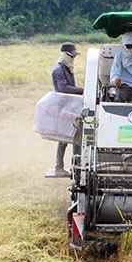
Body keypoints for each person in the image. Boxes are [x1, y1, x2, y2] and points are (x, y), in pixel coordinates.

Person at [47, 42, 83, 178]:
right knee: (67, 137)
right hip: (63, 107)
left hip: (70, 106)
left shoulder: (67, 69)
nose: (73, 59)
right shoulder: (58, 71)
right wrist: (83, 90)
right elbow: (63, 89)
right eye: (72, 56)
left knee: (74, 136)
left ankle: (74, 166)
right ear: (65, 55)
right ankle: (60, 167)